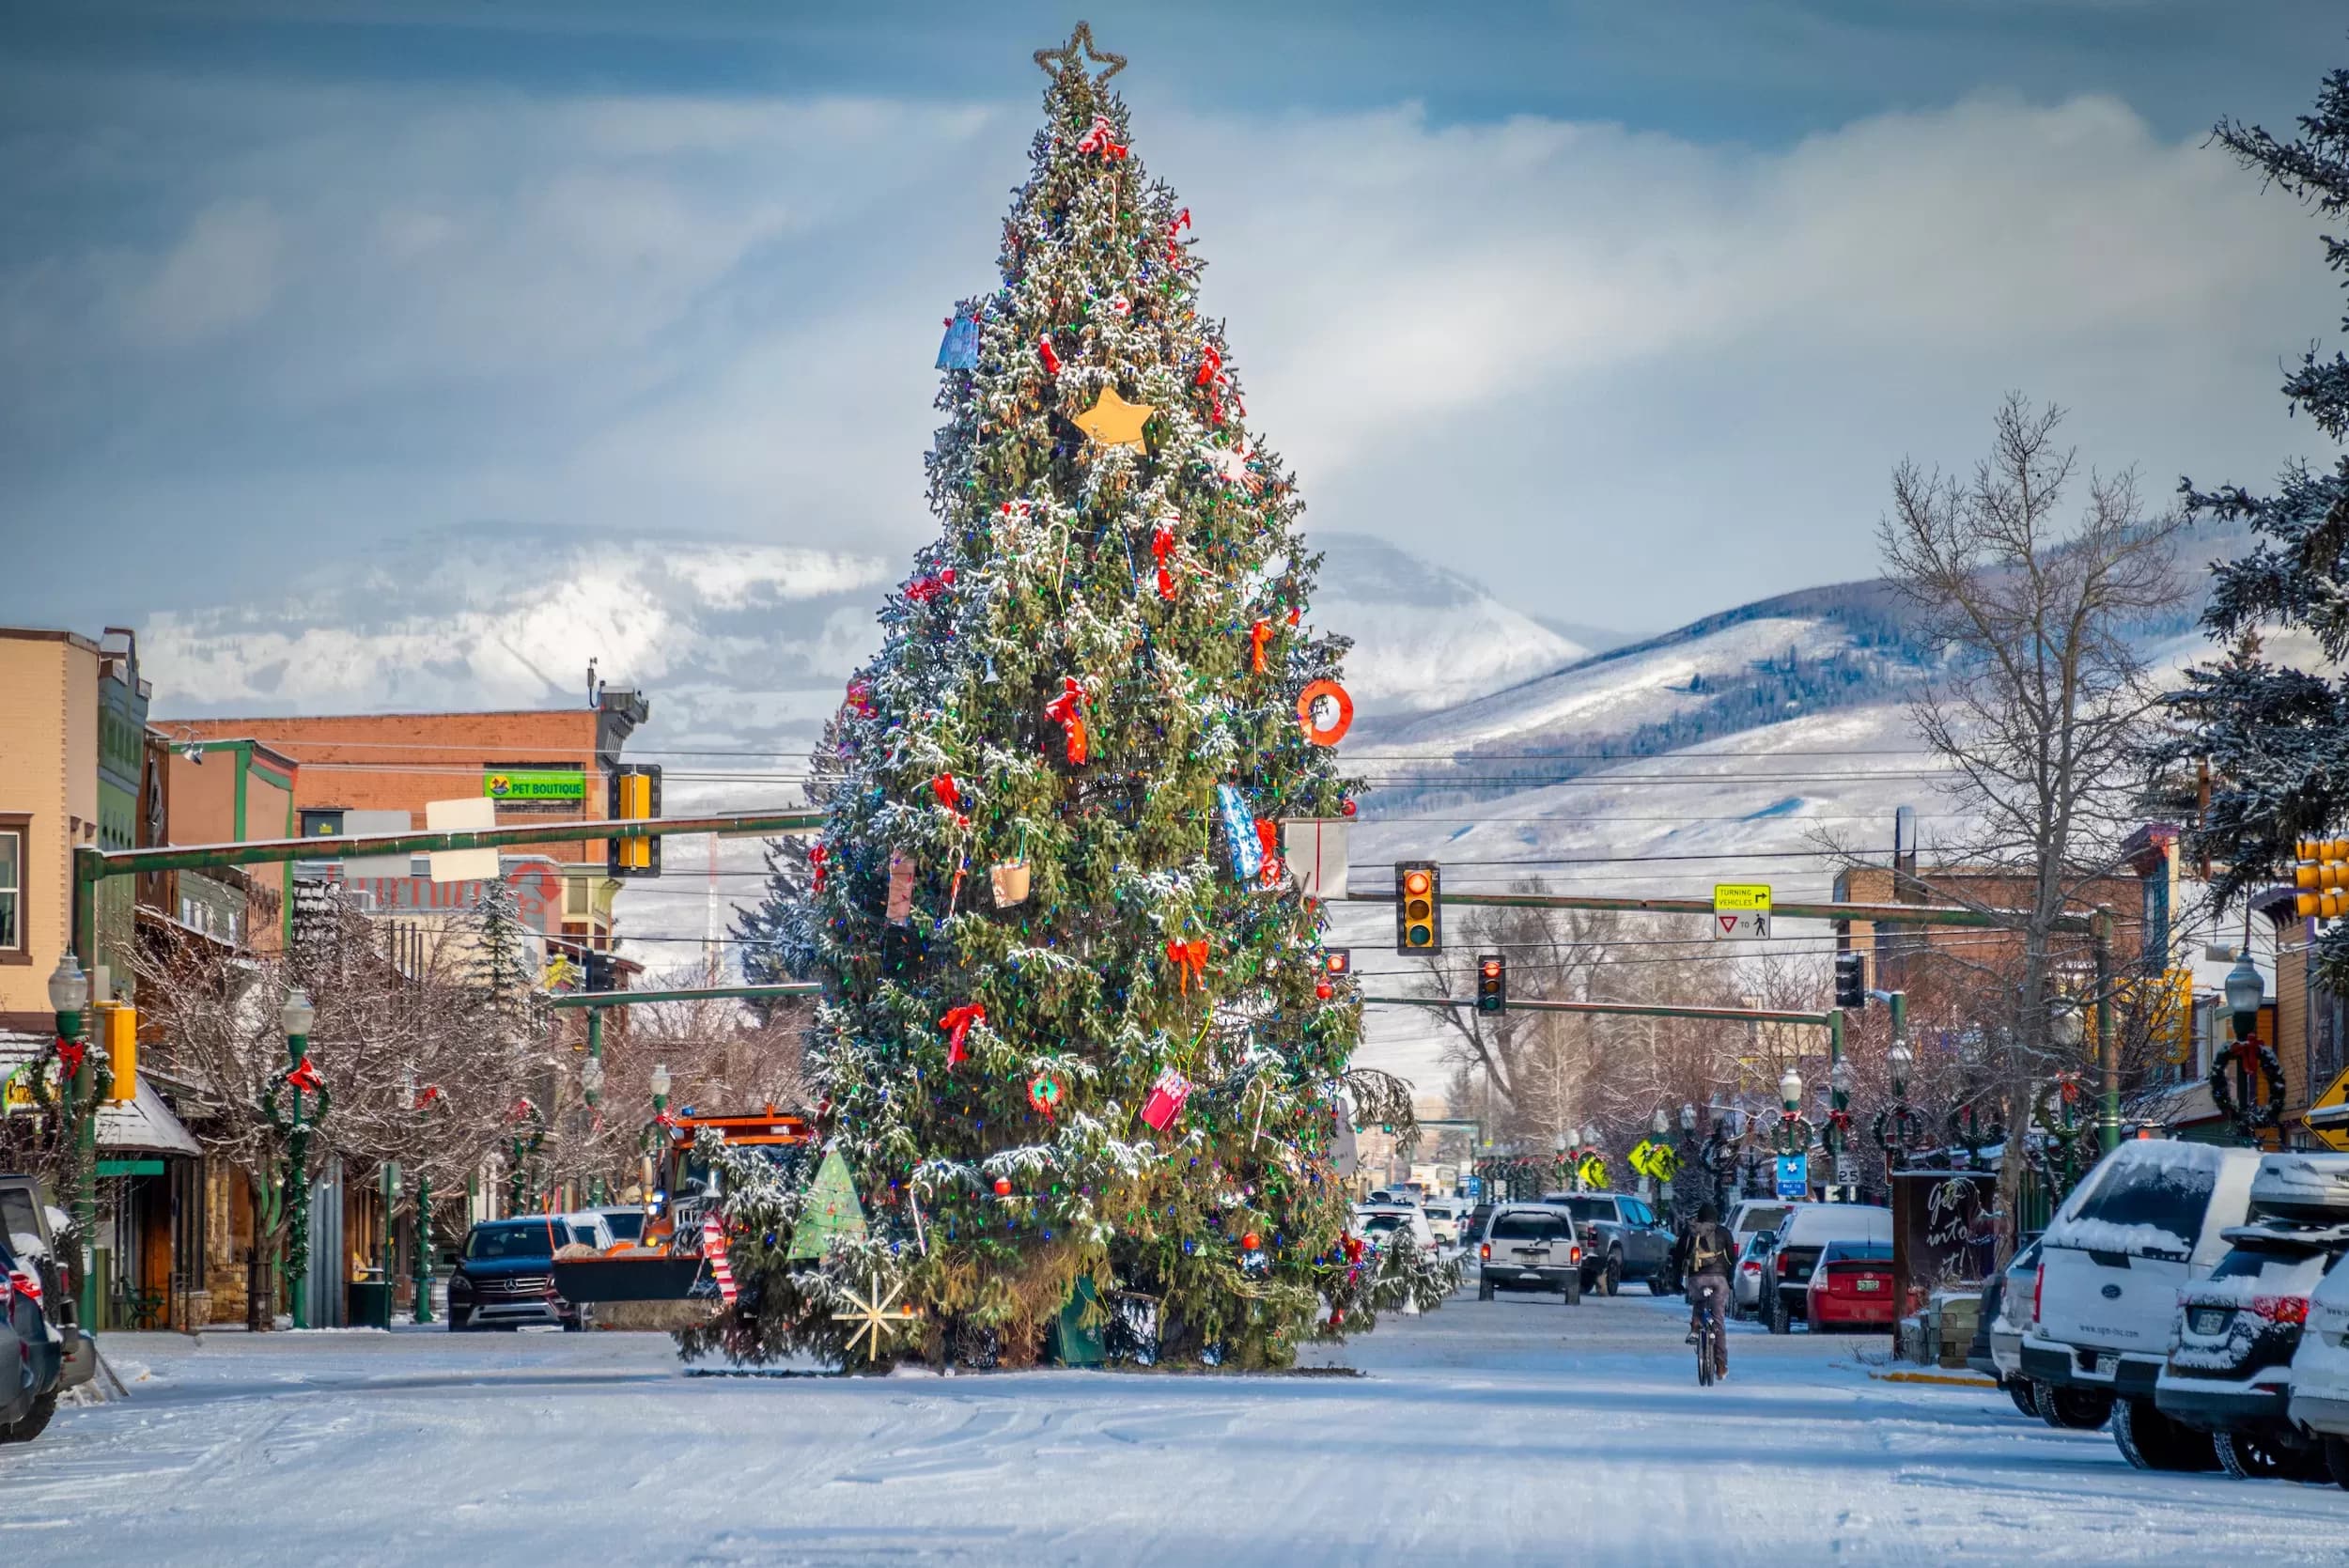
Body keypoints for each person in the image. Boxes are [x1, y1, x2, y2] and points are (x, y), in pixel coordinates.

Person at [1681, 1202, 1735, 1380]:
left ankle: (1696, 1326)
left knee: (1699, 1301)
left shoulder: (1691, 1231)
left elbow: (1678, 1255)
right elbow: (1732, 1259)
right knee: (1718, 1321)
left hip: (1697, 1279)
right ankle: (1720, 1366)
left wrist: (1675, 1279)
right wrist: (1731, 1280)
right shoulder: (1724, 1233)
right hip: (1719, 1279)